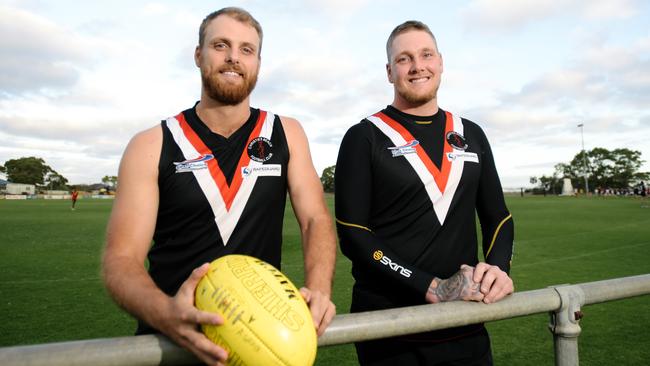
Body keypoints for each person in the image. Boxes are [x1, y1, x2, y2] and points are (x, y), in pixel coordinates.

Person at [101, 7, 336, 366]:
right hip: (173, 344)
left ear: (258, 61)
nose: (233, 58)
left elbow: (315, 220)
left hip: (258, 343)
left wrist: (319, 290)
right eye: (220, 45)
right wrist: (167, 314)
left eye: (246, 49)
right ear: (199, 55)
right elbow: (120, 260)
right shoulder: (150, 144)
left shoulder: (287, 133)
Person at [335, 20, 514, 365]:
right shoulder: (364, 136)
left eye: (426, 54)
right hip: (390, 328)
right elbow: (354, 234)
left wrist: (497, 268)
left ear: (440, 62)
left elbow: (498, 217)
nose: (417, 66)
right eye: (404, 59)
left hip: (463, 321)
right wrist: (429, 286)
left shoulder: (471, 133)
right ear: (389, 72)